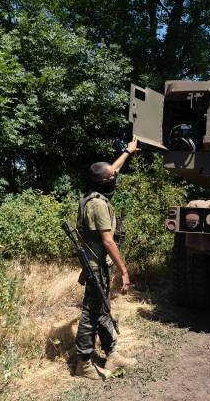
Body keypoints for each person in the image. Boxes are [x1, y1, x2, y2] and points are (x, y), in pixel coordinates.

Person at [74, 137, 139, 380]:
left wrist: (127, 151)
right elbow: (108, 241)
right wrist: (124, 270)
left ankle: (112, 354)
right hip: (95, 266)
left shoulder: (96, 193)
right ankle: (83, 363)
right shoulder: (98, 205)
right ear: (102, 182)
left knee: (103, 308)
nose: (115, 177)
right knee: (91, 313)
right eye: (111, 177)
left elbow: (113, 169)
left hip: (99, 265)